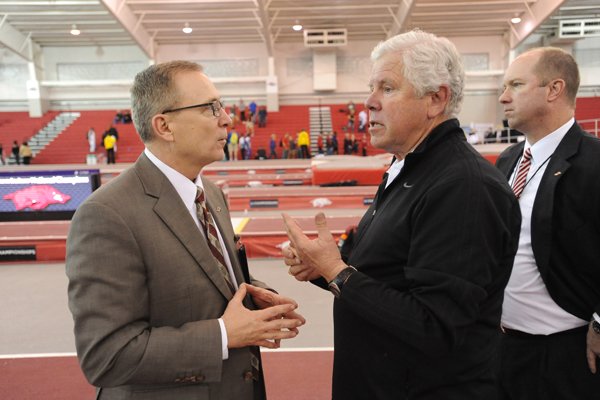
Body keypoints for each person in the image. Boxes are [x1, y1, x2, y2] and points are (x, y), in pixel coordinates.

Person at [282, 30, 521, 399]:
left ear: (436, 99)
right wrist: (323, 269)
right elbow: (385, 276)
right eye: (372, 87)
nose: (369, 102)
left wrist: (338, 273)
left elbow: (436, 327)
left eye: (387, 88)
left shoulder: (463, 187)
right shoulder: (411, 169)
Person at [66, 61, 305, 400]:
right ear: (164, 126)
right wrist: (223, 334)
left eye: (221, 106)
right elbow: (107, 356)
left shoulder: (212, 194)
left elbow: (204, 279)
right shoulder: (107, 214)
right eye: (210, 108)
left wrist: (254, 298)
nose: (226, 119)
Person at [496, 47, 600, 399]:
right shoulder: (509, 159)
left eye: (516, 85)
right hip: (505, 348)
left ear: (554, 89)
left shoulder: (594, 162)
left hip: (568, 354)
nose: (503, 97)